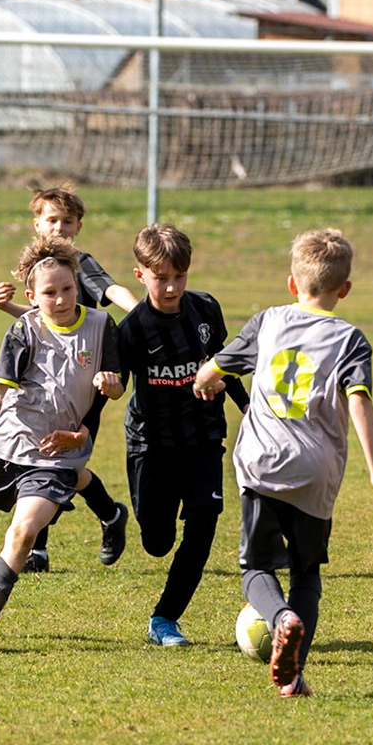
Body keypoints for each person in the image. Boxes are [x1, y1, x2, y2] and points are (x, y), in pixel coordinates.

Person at [193, 228, 373, 698]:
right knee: (306, 573)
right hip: (315, 472)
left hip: (262, 463)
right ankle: (293, 676)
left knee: (255, 568)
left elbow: (213, 370)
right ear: (344, 289)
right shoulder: (350, 339)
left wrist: (205, 383)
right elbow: (359, 401)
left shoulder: (267, 322)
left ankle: (280, 616)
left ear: (292, 283)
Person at [0, 239, 125, 651]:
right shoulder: (25, 328)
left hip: (57, 456)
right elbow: (1, 381)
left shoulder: (102, 326)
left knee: (23, 533)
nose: (61, 299)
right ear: (31, 297)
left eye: (67, 289)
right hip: (6, 447)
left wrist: (111, 384)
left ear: (76, 285)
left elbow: (117, 386)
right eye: (50, 293)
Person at [115, 224, 249, 647]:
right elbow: (114, 387)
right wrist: (87, 419)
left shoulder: (205, 309)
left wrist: (250, 410)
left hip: (202, 439)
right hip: (151, 445)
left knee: (203, 525)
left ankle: (165, 618)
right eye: (161, 278)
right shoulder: (132, 329)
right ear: (140, 275)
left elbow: (224, 364)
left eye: (180, 276)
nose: (171, 287)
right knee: (157, 542)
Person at [0, 184, 130, 571]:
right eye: (52, 220)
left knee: (58, 463)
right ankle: (49, 544)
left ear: (79, 226)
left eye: (68, 221)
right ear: (37, 224)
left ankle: (104, 516)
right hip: (48, 375)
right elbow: (43, 323)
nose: (59, 228)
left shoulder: (81, 263)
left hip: (89, 381)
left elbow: (109, 291)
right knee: (47, 458)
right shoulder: (37, 270)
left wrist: (142, 311)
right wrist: (9, 307)